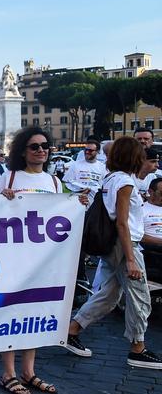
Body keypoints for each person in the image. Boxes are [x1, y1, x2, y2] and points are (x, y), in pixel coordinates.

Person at [64, 137, 162, 369]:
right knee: (140, 297)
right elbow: (122, 223)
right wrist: (131, 259)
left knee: (108, 295)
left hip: (114, 245)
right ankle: (137, 348)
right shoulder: (125, 183)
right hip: (124, 245)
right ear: (134, 157)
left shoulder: (111, 178)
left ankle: (72, 330)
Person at [0, 127, 68, 394]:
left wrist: (77, 203)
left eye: (45, 146)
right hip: (14, 256)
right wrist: (3, 200)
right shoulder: (9, 177)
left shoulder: (55, 183)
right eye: (34, 146)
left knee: (34, 312)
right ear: (23, 151)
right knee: (11, 311)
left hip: (43, 258)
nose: (41, 151)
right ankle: (8, 372)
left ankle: (29, 371)